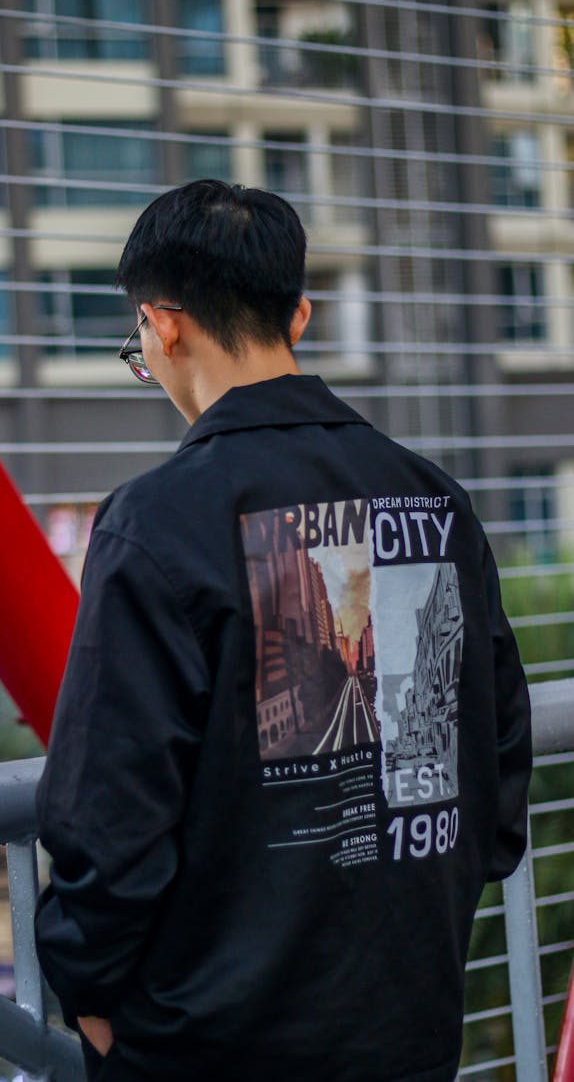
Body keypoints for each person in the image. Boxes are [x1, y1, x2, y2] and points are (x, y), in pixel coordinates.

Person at [34, 180, 531, 1082]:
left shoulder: (157, 523)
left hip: (213, 1044)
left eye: (137, 347)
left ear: (163, 325)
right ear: (295, 315)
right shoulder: (433, 497)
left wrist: (93, 1000)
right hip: (411, 1026)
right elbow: (496, 768)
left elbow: (108, 815)